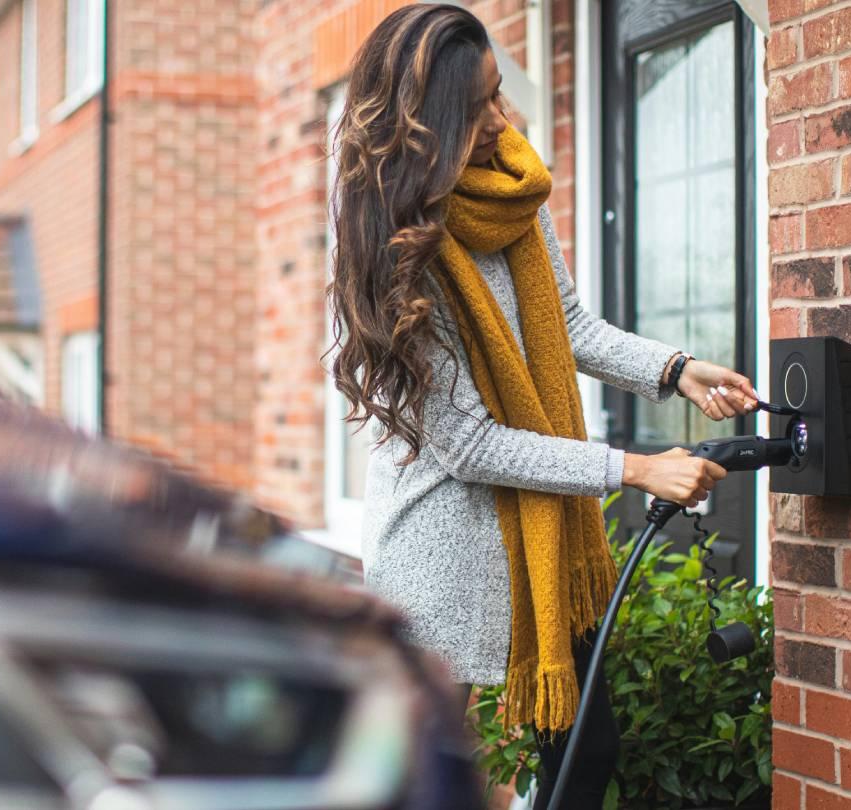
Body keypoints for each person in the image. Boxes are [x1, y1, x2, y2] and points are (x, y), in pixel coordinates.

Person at [325, 5, 759, 808]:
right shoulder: (388, 248)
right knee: (436, 787)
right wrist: (633, 467)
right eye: (480, 108)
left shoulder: (513, 189)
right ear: (426, 128)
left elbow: (569, 328)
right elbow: (471, 444)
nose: (504, 120)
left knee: (586, 754)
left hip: (548, 547)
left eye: (500, 94)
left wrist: (676, 369)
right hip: (445, 568)